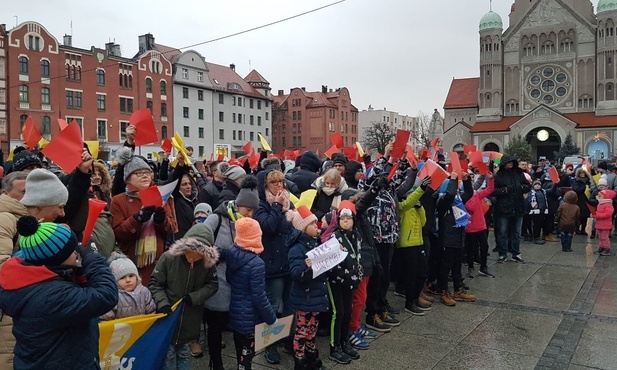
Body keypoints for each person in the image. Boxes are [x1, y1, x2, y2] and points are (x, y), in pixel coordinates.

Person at [0, 216, 118, 370]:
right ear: (58, 259)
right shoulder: (53, 295)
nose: (77, 254)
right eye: (72, 251)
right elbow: (106, 295)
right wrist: (92, 258)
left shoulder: (25, 277)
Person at [202, 175, 259, 370]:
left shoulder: (251, 222)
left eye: (253, 211)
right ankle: (216, 364)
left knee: (240, 332)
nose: (250, 214)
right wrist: (224, 254)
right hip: (218, 284)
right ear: (239, 204)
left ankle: (242, 365)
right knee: (215, 328)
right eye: (248, 209)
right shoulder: (216, 219)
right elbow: (198, 246)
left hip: (239, 287)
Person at [149, 223, 220, 370]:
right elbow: (155, 283)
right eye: (191, 253)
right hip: (168, 317)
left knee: (184, 354)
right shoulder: (168, 258)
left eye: (198, 256)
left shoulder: (207, 265)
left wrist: (194, 297)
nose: (193, 259)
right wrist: (162, 303)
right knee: (167, 356)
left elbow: (212, 285)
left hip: (190, 319)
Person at [110, 148, 177, 285]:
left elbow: (172, 229)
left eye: (147, 172)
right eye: (138, 173)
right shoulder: (118, 200)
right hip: (131, 265)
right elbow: (118, 233)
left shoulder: (162, 195)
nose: (145, 176)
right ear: (128, 179)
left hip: (157, 262)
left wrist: (161, 220)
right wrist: (137, 219)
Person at [254, 167, 298, 364]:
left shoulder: (287, 203)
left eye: (281, 181)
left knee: (290, 304)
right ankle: (269, 345)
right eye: (274, 182)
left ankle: (288, 340)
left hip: (287, 260)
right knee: (272, 306)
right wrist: (276, 207)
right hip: (271, 263)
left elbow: (292, 228)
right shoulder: (261, 205)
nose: (279, 186)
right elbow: (268, 227)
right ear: (265, 185)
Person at [226, 217, 277, 370]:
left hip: (235, 311)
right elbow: (259, 296)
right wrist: (271, 318)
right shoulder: (257, 263)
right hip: (250, 318)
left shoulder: (232, 253)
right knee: (247, 356)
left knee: (239, 352)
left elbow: (229, 278)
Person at [288, 206, 328, 370]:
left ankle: (311, 357)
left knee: (312, 329)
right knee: (302, 331)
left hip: (316, 294)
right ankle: (300, 360)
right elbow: (296, 273)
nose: (316, 227)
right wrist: (307, 266)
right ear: (303, 228)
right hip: (305, 296)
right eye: (312, 224)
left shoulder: (315, 243)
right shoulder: (297, 248)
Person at [327, 200, 362, 364]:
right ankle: (334, 347)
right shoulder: (335, 237)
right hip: (336, 280)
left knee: (348, 311)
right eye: (342, 219)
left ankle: (344, 341)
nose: (345, 221)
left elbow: (358, 257)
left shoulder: (356, 236)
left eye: (348, 218)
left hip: (350, 280)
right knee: (338, 313)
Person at [435, 172, 475, 306]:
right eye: (454, 187)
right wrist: (452, 179)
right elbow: (450, 194)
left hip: (458, 238)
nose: (457, 191)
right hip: (447, 239)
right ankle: (443, 291)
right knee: (445, 267)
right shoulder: (443, 202)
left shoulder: (457, 201)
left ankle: (458, 289)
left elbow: (469, 193)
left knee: (457, 266)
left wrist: (466, 180)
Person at [492, 154, 530, 263]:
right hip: (503, 208)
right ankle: (502, 253)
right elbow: (493, 190)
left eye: (512, 162)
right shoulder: (499, 175)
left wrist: (521, 188)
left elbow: (527, 185)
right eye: (508, 162)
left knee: (516, 232)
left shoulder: (519, 174)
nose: (510, 164)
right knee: (502, 232)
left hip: (518, 207)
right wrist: (505, 190)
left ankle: (516, 253)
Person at [100, 252, 156, 320]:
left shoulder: (144, 292)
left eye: (131, 276)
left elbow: (151, 313)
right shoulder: (113, 296)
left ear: (137, 277)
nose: (128, 280)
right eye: (122, 278)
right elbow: (105, 319)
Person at [464, 173, 495, 278]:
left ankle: (483, 267)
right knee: (471, 248)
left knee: (484, 247)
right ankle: (471, 267)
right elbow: (470, 207)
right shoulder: (466, 197)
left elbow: (489, 189)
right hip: (470, 227)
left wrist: (490, 177)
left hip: (480, 226)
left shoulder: (477, 195)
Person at [525, 180, 549, 245]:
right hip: (535, 211)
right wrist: (534, 207)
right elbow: (531, 201)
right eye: (536, 184)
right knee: (536, 224)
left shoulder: (543, 192)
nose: (537, 186)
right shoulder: (532, 193)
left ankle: (537, 236)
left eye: (539, 184)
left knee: (540, 224)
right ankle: (536, 237)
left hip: (542, 210)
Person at [572, 168, 593, 235]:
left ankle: (583, 229)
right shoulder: (576, 182)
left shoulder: (588, 181)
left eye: (583, 173)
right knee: (579, 216)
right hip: (579, 201)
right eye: (581, 173)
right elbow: (576, 189)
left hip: (586, 201)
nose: (582, 175)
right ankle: (577, 228)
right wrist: (584, 187)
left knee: (585, 217)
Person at [594, 189, 615, 256]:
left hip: (605, 224)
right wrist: (595, 214)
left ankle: (606, 248)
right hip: (600, 223)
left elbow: (608, 214)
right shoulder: (600, 204)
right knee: (600, 237)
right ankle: (601, 247)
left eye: (600, 196)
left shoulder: (608, 204)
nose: (599, 197)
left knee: (604, 237)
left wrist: (597, 215)